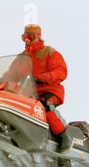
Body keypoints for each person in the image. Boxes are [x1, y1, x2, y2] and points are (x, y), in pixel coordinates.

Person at [20, 24, 72, 153]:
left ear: (38, 37)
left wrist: (45, 77)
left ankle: (65, 137)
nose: (27, 40)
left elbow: (61, 71)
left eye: (29, 37)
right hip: (30, 93)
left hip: (50, 90)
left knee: (43, 106)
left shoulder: (49, 52)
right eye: (24, 37)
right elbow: (10, 74)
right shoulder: (22, 57)